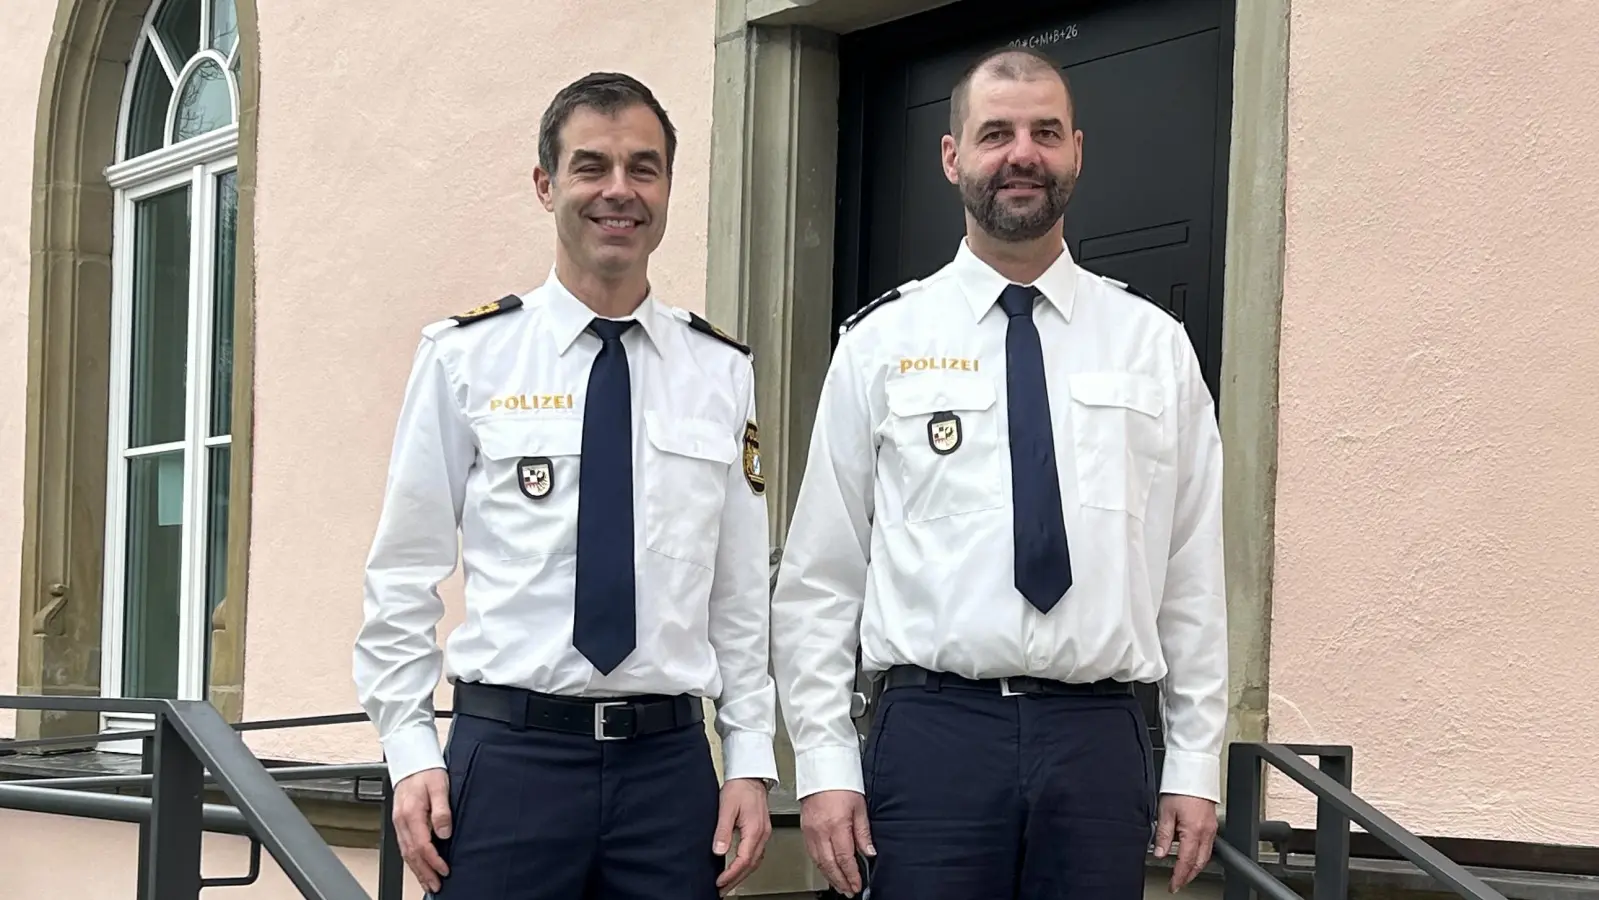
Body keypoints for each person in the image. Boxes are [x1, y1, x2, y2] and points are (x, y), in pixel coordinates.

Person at [770, 45, 1227, 900]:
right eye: (995, 134)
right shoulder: (880, 345)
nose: (1022, 154)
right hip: (933, 735)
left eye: (1044, 133)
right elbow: (821, 578)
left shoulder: (1151, 346)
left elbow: (1191, 574)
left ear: (1077, 152)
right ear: (952, 159)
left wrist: (1196, 759)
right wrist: (825, 762)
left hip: (1099, 740)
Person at [353, 71, 777, 899]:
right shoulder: (465, 357)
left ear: (666, 188)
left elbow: (737, 597)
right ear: (545, 184)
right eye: (591, 166)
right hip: (510, 761)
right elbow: (403, 573)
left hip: (668, 771)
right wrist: (408, 752)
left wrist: (751, 759)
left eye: (643, 168)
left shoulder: (720, 371)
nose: (618, 191)